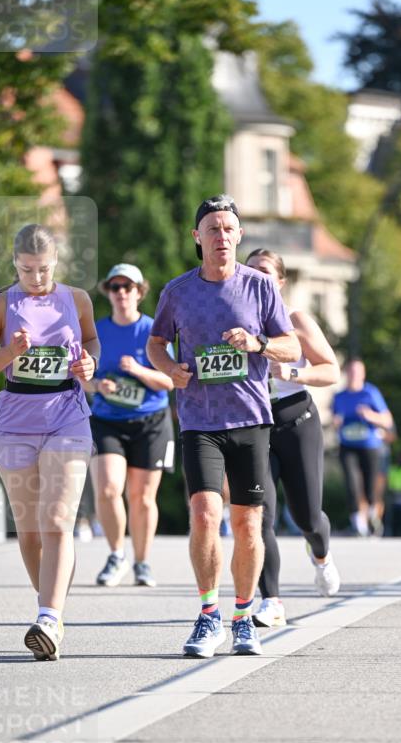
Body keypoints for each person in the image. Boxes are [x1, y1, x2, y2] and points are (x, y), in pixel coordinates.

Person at [147, 195, 300, 657]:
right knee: (205, 514)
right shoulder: (177, 291)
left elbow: (291, 347)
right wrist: (170, 369)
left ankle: (242, 617)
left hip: (251, 418)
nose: (222, 236)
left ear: (239, 236)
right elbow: (156, 344)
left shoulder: (259, 287)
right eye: (212, 229)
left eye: (229, 229)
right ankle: (208, 615)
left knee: (248, 522)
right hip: (199, 420)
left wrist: (258, 343)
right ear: (198, 237)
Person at [0, 223, 98, 661]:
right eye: (26, 271)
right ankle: (50, 612)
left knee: (58, 519)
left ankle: (49, 617)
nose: (36, 279)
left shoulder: (76, 299)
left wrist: (89, 364)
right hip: (15, 420)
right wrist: (9, 354)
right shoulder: (0, 305)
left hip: (66, 415)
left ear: (56, 262)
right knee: (30, 529)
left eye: (42, 270)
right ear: (15, 266)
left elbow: (91, 340)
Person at [243, 249, 341, 628]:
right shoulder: (235, 322)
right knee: (259, 515)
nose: (257, 278)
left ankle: (322, 555)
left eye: (265, 272)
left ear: (280, 281)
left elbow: (330, 370)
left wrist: (293, 374)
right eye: (249, 271)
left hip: (297, 420)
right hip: (255, 426)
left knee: (307, 516)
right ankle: (272, 601)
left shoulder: (295, 320)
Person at [84, 263, 174, 587]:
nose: (121, 293)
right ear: (108, 292)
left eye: (128, 287)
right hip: (107, 420)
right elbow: (81, 379)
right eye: (115, 287)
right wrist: (98, 386)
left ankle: (143, 561)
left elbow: (169, 381)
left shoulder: (153, 331)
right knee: (108, 489)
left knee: (142, 497)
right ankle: (116, 554)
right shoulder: (97, 332)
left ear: (139, 292)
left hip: (151, 422)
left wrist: (138, 370)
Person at [332, 359, 394, 536]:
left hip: (370, 446)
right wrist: (337, 422)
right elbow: (335, 420)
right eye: (351, 372)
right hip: (347, 446)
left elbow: (387, 420)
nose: (354, 376)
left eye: (357, 372)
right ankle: (359, 523)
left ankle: (373, 516)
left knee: (370, 487)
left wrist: (370, 415)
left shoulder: (371, 393)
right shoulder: (339, 396)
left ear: (363, 374)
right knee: (352, 484)